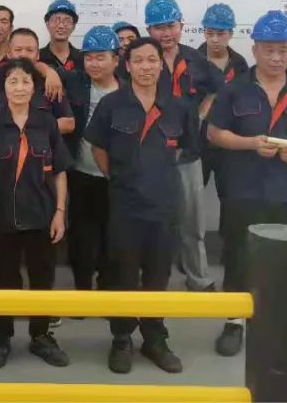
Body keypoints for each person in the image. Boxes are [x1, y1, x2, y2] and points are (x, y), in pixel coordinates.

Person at [207, 11, 287, 356]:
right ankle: (234, 321)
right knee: (239, 258)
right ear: (255, 49)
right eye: (269, 50)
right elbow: (214, 133)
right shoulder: (234, 89)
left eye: (283, 50)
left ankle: (280, 324)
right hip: (244, 190)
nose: (276, 57)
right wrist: (249, 144)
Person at [86, 37, 198, 374]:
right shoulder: (112, 105)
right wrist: (119, 177)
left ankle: (154, 338)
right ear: (128, 66)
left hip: (164, 204)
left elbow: (187, 147)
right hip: (125, 204)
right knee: (123, 271)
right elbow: (98, 146)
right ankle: (121, 338)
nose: (146, 67)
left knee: (158, 272)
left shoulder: (179, 107)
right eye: (139, 61)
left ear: (161, 65)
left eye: (152, 60)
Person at [0, 58, 70, 369]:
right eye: (13, 81)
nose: (19, 87)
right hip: (2, 216)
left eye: (26, 81)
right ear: (3, 87)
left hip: (41, 215)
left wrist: (59, 212)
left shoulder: (47, 123)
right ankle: (2, 337)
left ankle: (41, 336)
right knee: (2, 279)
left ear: (35, 87)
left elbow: (59, 171)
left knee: (42, 278)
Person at [144, 0, 222, 292]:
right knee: (151, 221)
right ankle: (152, 280)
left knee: (192, 223)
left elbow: (217, 88)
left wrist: (200, 116)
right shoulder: (141, 59)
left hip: (188, 153)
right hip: (150, 155)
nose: (166, 33)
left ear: (181, 26)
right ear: (148, 30)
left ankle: (198, 278)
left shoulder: (195, 60)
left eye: (171, 25)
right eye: (158, 27)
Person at [67, 26, 120, 294]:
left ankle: (108, 291)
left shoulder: (128, 89)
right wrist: (48, 72)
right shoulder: (75, 83)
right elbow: (38, 69)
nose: (94, 63)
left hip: (115, 177)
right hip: (81, 175)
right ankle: (82, 291)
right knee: (81, 239)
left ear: (115, 59)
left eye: (101, 57)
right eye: (89, 57)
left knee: (113, 239)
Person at [197, 4, 249, 237]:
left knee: (230, 197)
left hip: (229, 142)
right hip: (197, 142)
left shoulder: (240, 65)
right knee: (191, 197)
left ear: (231, 33)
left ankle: (230, 245)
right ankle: (188, 246)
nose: (215, 39)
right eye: (210, 33)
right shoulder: (192, 60)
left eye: (221, 33)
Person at [40, 0, 85, 74]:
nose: (61, 26)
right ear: (47, 25)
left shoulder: (83, 58)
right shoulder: (38, 58)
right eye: (56, 20)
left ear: (73, 26)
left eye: (66, 21)